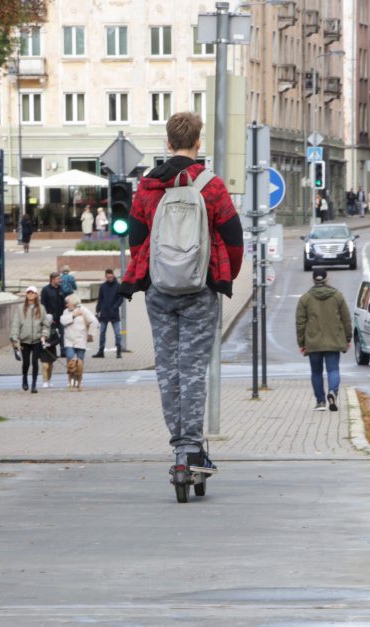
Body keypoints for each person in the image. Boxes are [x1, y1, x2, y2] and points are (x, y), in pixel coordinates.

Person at [120, 111, 243, 477]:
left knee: (167, 368)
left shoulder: (148, 186)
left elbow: (137, 239)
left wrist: (148, 273)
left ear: (168, 143)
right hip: (200, 288)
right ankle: (191, 450)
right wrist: (224, 277)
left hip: (158, 289)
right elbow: (234, 239)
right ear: (198, 142)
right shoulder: (212, 185)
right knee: (192, 369)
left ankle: (180, 447)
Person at [296, 268, 352, 412]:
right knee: (333, 369)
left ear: (313, 280)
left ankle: (320, 402)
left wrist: (301, 343)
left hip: (313, 342)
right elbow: (346, 319)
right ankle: (332, 392)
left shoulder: (305, 298)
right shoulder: (337, 296)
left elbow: (300, 322)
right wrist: (348, 338)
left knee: (316, 372)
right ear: (328, 278)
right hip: (334, 340)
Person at [10, 286, 51, 393]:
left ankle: (33, 384)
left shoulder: (41, 308)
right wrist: (14, 338)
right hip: (24, 340)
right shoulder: (20, 308)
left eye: (32, 293)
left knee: (35, 362)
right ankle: (24, 378)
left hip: (37, 339)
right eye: (28, 293)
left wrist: (44, 335)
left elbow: (46, 325)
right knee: (26, 362)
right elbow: (16, 324)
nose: (30, 295)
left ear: (36, 294)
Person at [40, 272, 66, 387]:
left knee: (61, 336)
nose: (59, 280)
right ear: (52, 279)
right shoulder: (46, 290)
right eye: (58, 278)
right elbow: (43, 304)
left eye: (60, 278)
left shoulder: (61, 289)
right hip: (50, 319)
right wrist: (46, 317)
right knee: (51, 336)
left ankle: (62, 351)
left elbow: (64, 303)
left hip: (60, 318)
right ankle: (49, 352)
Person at [94, 268, 124, 358]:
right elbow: (100, 299)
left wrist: (115, 307)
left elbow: (121, 298)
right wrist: (97, 310)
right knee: (102, 333)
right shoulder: (103, 286)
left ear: (113, 275)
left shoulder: (118, 286)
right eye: (108, 277)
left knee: (117, 333)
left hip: (114, 314)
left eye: (111, 276)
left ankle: (119, 351)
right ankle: (101, 351)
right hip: (104, 313)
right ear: (106, 277)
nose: (109, 278)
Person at [60, 294, 98, 362]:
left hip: (80, 340)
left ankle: (79, 372)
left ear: (73, 302)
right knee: (70, 357)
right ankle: (71, 372)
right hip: (69, 341)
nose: (66, 305)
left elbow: (94, 321)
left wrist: (90, 334)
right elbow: (62, 321)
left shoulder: (83, 310)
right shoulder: (65, 311)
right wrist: (73, 316)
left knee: (80, 361)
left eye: (67, 303)